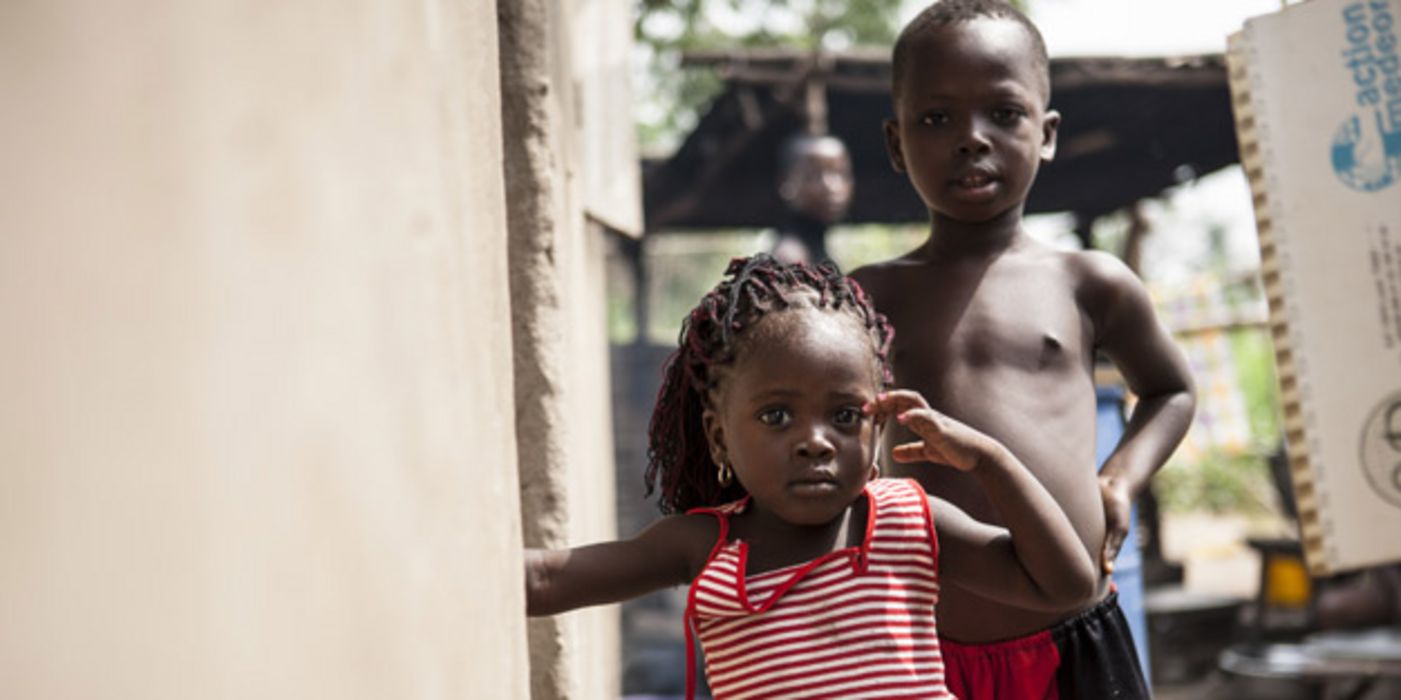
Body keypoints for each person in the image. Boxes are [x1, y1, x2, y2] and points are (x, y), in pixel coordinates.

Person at [525, 255, 1096, 699]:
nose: (815, 441)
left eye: (846, 416)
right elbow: (547, 580)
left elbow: (1066, 585)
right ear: (719, 435)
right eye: (776, 416)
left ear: (878, 426)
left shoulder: (905, 522)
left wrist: (991, 461)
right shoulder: (705, 545)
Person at [850, 2, 1197, 697]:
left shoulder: (1088, 282)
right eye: (936, 118)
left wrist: (1120, 478)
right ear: (895, 144)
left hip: (1076, 631)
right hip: (923, 645)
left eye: (1003, 114)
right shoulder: (864, 299)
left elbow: (1170, 390)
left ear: (1046, 133)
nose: (970, 139)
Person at [769, 133, 854, 266]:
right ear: (786, 183)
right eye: (814, 175)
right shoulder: (791, 259)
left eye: (841, 173)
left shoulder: (816, 253)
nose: (831, 186)